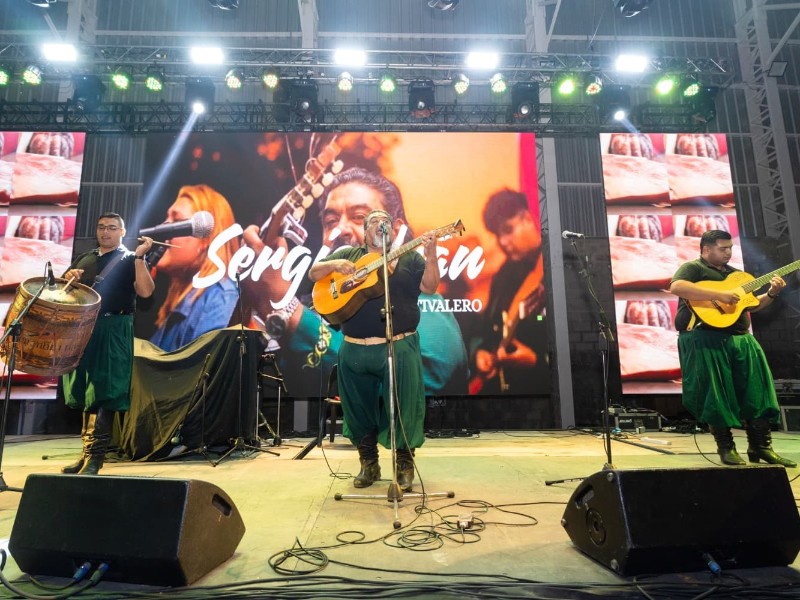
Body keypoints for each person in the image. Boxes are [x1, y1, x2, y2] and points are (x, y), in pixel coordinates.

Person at [241, 167, 468, 398]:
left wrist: (288, 310)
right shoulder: (321, 307)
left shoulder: (422, 301)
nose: (339, 230)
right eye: (330, 221)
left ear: (395, 231)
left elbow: (417, 384)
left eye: (360, 217)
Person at [307, 209, 438, 491]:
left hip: (398, 344)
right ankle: (369, 464)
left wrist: (431, 254)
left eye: (387, 223)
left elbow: (430, 286)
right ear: (366, 232)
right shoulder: (351, 255)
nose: (382, 226)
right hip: (354, 349)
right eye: (376, 223)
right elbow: (313, 273)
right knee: (357, 410)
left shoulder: (408, 257)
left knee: (404, 407)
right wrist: (337, 264)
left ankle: (404, 465)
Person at [669, 229, 794, 467]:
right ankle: (726, 448)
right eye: (722, 248)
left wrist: (772, 293)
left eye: (730, 248)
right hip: (706, 338)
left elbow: (753, 306)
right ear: (706, 249)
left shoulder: (738, 276)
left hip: (740, 338)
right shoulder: (693, 268)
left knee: (756, 392)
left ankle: (761, 447)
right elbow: (677, 287)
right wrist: (720, 294)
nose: (728, 252)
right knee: (715, 394)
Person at [60, 212, 155, 475]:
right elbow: (65, 295)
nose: (106, 232)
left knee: (106, 388)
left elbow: (146, 291)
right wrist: (70, 281)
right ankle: (85, 455)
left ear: (122, 232)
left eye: (112, 228)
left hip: (114, 327)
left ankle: (96, 458)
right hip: (85, 327)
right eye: (101, 227)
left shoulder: (128, 258)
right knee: (86, 389)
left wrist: (140, 257)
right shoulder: (85, 258)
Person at [468, 189, 547, 394]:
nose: (502, 242)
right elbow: (485, 330)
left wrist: (536, 362)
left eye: (508, 230)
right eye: (497, 234)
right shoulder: (503, 274)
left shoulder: (559, 267)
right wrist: (479, 353)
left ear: (528, 219)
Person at [149, 184, 240, 351]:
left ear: (205, 239)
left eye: (176, 221)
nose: (163, 226)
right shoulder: (186, 299)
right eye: (166, 219)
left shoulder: (219, 299)